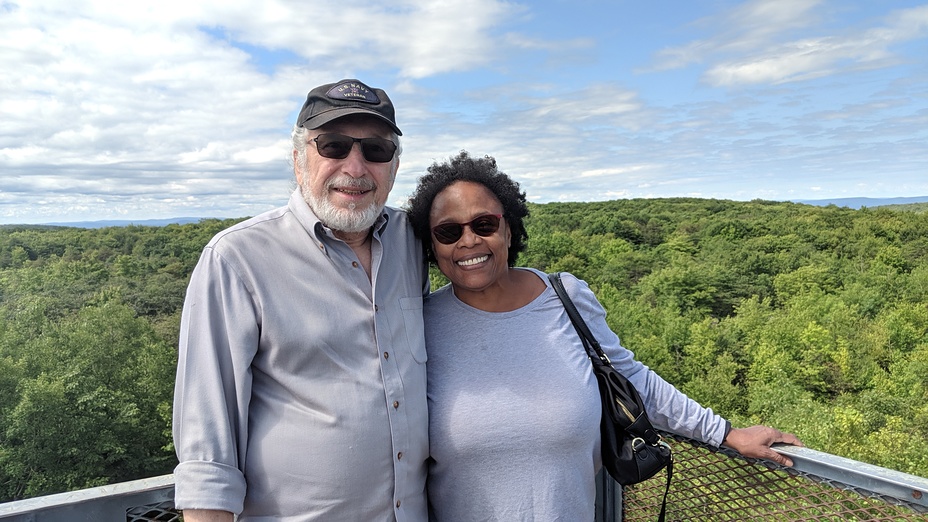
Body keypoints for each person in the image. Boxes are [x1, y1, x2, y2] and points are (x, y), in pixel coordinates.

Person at [405, 151, 803, 521]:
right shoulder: (418, 323)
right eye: (448, 231)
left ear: (509, 229)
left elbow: (629, 379)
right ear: (432, 246)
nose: (469, 240)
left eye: (484, 224)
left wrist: (724, 432)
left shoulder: (566, 299)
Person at [172, 79, 429, 522]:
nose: (356, 166)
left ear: (394, 167)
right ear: (298, 159)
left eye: (376, 150)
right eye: (332, 145)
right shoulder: (237, 257)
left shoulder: (416, 242)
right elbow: (207, 445)